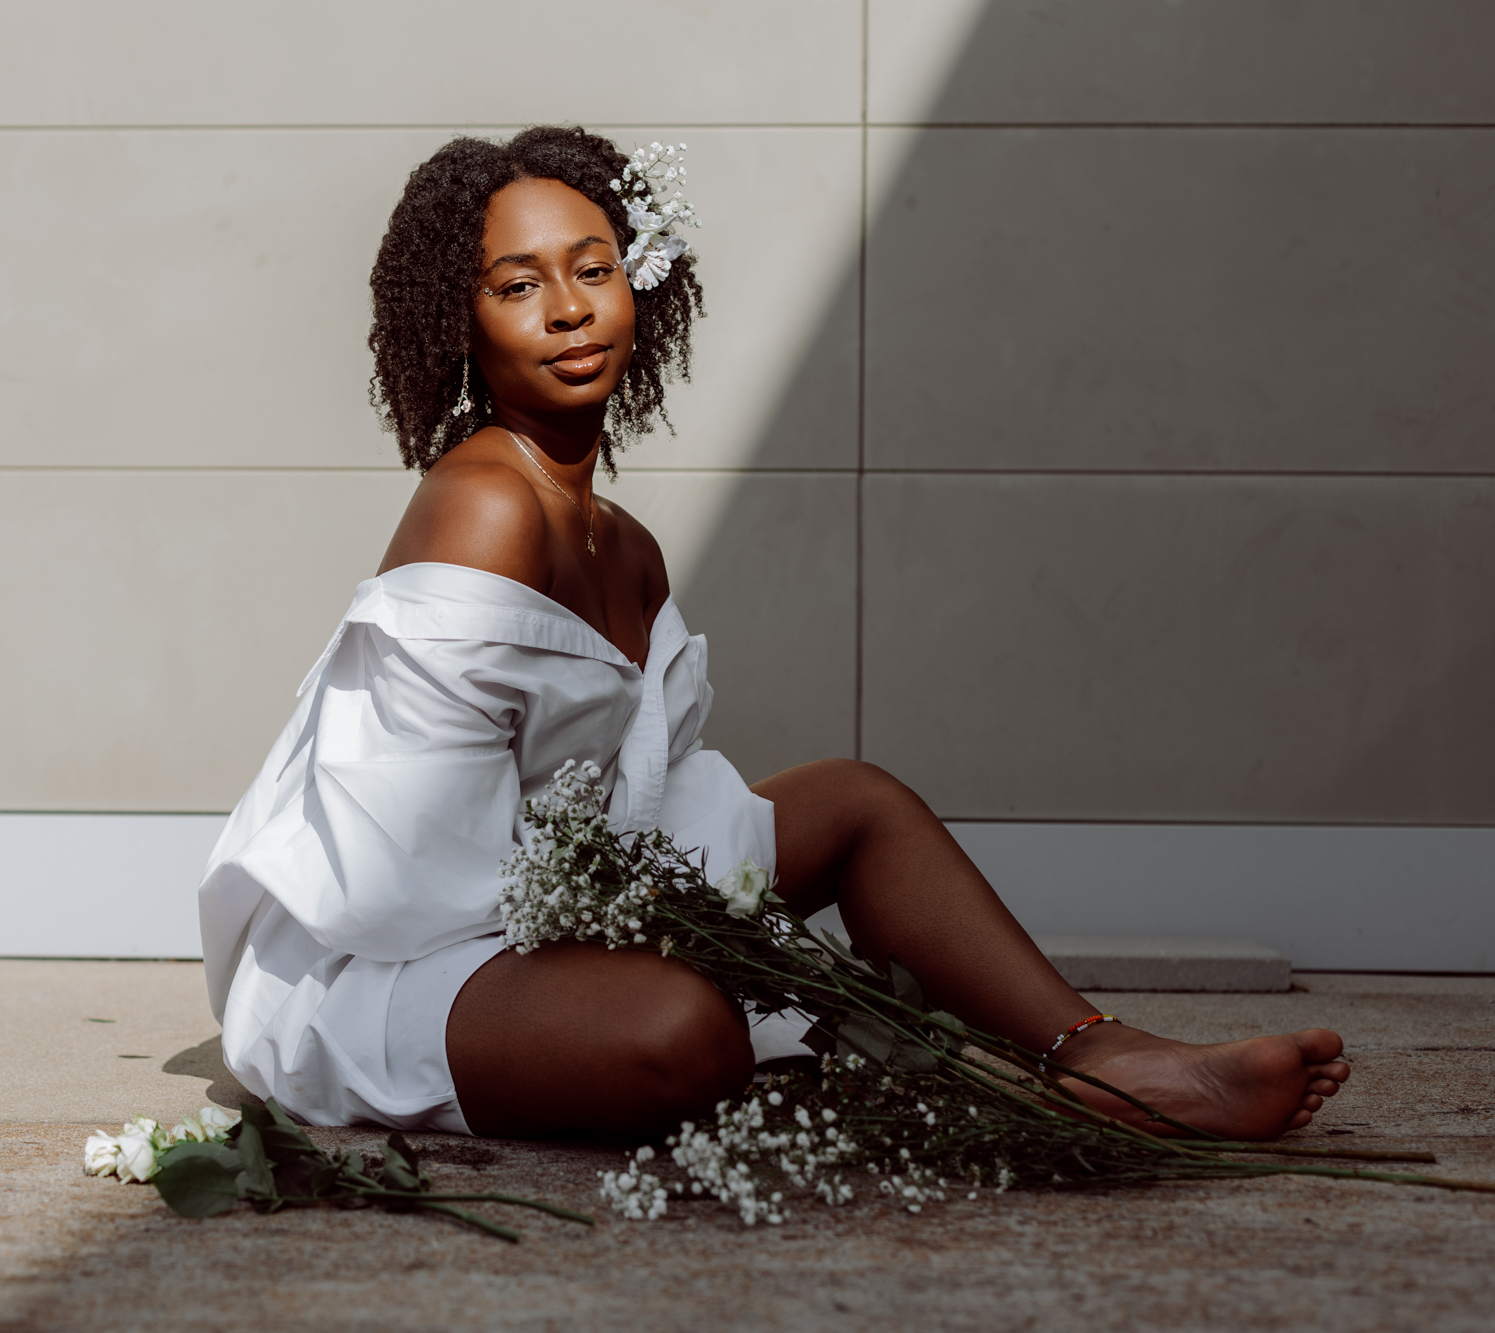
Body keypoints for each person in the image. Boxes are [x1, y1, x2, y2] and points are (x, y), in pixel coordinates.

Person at [199, 126, 1348, 1145]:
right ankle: (984, 1092)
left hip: (569, 897)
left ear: (639, 283)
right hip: (398, 959)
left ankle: (1095, 1053)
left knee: (854, 801)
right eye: (516, 285)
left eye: (593, 269)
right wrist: (662, 933)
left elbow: (631, 789)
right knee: (681, 1028)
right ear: (460, 320)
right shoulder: (484, 506)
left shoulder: (621, 540)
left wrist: (668, 905)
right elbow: (400, 860)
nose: (567, 307)